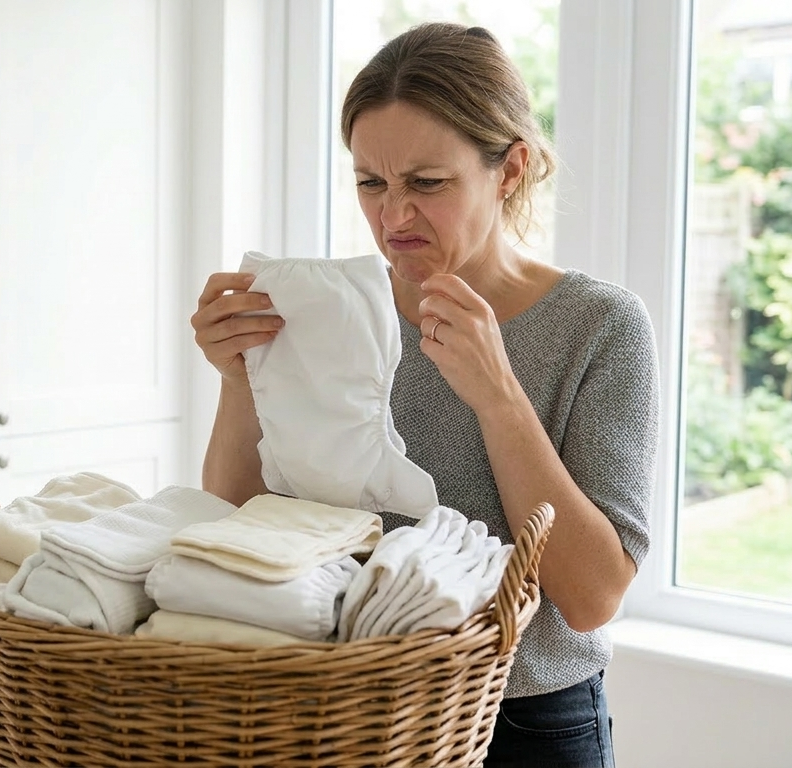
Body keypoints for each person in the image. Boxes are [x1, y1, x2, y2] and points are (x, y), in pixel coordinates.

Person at [190, 22, 659, 768]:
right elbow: (242, 525)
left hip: (527, 721)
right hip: (351, 709)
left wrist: (499, 395)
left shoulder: (599, 325)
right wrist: (239, 378)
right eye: (371, 182)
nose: (392, 218)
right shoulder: (336, 309)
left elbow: (593, 596)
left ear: (510, 170)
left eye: (427, 183)